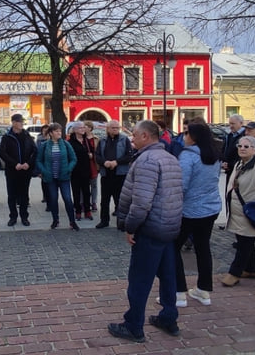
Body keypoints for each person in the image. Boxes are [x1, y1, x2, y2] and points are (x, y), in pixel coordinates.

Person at [108, 120, 184, 342]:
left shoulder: (147, 160)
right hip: (168, 227)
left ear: (145, 136)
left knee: (140, 280)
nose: (131, 139)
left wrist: (130, 227)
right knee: (169, 277)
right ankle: (169, 318)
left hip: (150, 229)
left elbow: (141, 202)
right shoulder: (170, 158)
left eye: (134, 135)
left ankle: (134, 326)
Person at [168, 123, 222, 307]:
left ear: (194, 136)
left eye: (186, 133)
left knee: (172, 248)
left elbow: (181, 185)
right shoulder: (214, 155)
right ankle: (203, 290)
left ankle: (178, 292)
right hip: (210, 209)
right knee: (203, 247)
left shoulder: (188, 156)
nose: (183, 136)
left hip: (190, 211)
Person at [221, 135, 255, 286]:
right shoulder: (239, 164)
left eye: (246, 147)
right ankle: (251, 269)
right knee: (244, 241)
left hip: (249, 212)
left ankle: (234, 273)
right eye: (240, 146)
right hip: (237, 211)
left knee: (244, 244)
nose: (241, 149)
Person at [36, 123, 79, 230]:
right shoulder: (45, 145)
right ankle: (55, 220)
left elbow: (74, 159)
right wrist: (44, 171)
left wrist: (68, 169)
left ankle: (72, 222)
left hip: (64, 177)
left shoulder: (65, 144)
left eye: (60, 131)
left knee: (68, 199)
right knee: (53, 199)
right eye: (56, 131)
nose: (59, 133)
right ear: (51, 133)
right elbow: (39, 160)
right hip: (51, 178)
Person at [0, 114, 37, 226]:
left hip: (25, 171)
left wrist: (28, 164)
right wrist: (14, 164)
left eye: (22, 122)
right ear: (14, 123)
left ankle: (24, 217)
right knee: (12, 195)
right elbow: (3, 153)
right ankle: (13, 217)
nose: (22, 124)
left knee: (24, 195)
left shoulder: (27, 135)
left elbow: (34, 151)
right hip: (12, 171)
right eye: (19, 121)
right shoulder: (7, 137)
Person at [95, 120, 134, 229]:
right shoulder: (102, 140)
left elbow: (129, 155)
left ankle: (121, 223)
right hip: (106, 174)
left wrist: (116, 162)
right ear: (107, 128)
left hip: (120, 174)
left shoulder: (124, 139)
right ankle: (104, 220)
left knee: (120, 200)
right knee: (104, 200)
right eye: (113, 128)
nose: (116, 129)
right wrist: (104, 162)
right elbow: (97, 155)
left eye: (117, 127)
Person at [67, 122, 93, 221]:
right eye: (80, 128)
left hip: (86, 170)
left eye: (83, 127)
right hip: (75, 171)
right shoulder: (70, 142)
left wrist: (91, 155)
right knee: (76, 192)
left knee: (87, 192)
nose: (83, 129)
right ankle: (78, 211)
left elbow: (92, 151)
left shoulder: (86, 140)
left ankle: (87, 211)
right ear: (75, 129)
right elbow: (70, 156)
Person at [222, 115, 246, 189]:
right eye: (230, 124)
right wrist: (224, 162)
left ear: (241, 123)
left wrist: (231, 164)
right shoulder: (229, 136)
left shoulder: (245, 137)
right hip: (229, 170)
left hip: (239, 171)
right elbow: (225, 150)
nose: (231, 126)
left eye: (233, 124)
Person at [83, 121, 99, 212]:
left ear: (90, 128)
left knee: (94, 185)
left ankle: (94, 202)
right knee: (83, 185)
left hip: (93, 164)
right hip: (84, 165)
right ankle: (83, 203)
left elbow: (99, 151)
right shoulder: (81, 138)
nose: (83, 128)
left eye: (85, 127)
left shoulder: (96, 139)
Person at [35, 124, 51, 203]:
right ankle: (45, 196)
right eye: (44, 129)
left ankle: (50, 197)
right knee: (43, 181)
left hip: (50, 163)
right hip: (42, 162)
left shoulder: (52, 139)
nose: (45, 131)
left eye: (47, 129)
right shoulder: (39, 139)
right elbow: (37, 150)